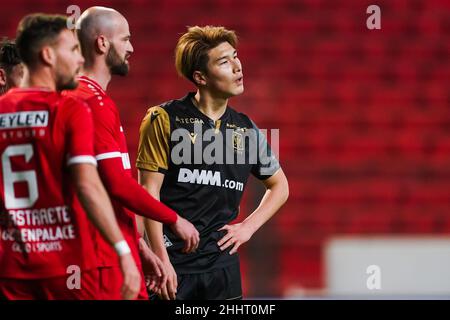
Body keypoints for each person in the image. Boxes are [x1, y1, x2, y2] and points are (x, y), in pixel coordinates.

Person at [137, 25, 289, 300]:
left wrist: (248, 227)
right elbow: (148, 193)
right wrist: (161, 259)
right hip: (173, 264)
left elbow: (280, 186)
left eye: (235, 56)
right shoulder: (163, 118)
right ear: (200, 77)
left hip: (222, 269)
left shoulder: (247, 129)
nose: (237, 66)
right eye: (223, 61)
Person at [0, 13, 140, 300]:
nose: (79, 60)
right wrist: (124, 249)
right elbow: (88, 185)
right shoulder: (70, 109)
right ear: (48, 55)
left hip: (11, 267)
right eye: (73, 50)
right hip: (66, 267)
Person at [63, 7, 199, 300]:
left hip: (107, 250)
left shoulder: (84, 98)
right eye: (125, 39)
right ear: (102, 43)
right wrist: (173, 219)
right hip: (98, 259)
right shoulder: (90, 101)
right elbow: (116, 184)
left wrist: (139, 244)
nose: (131, 47)